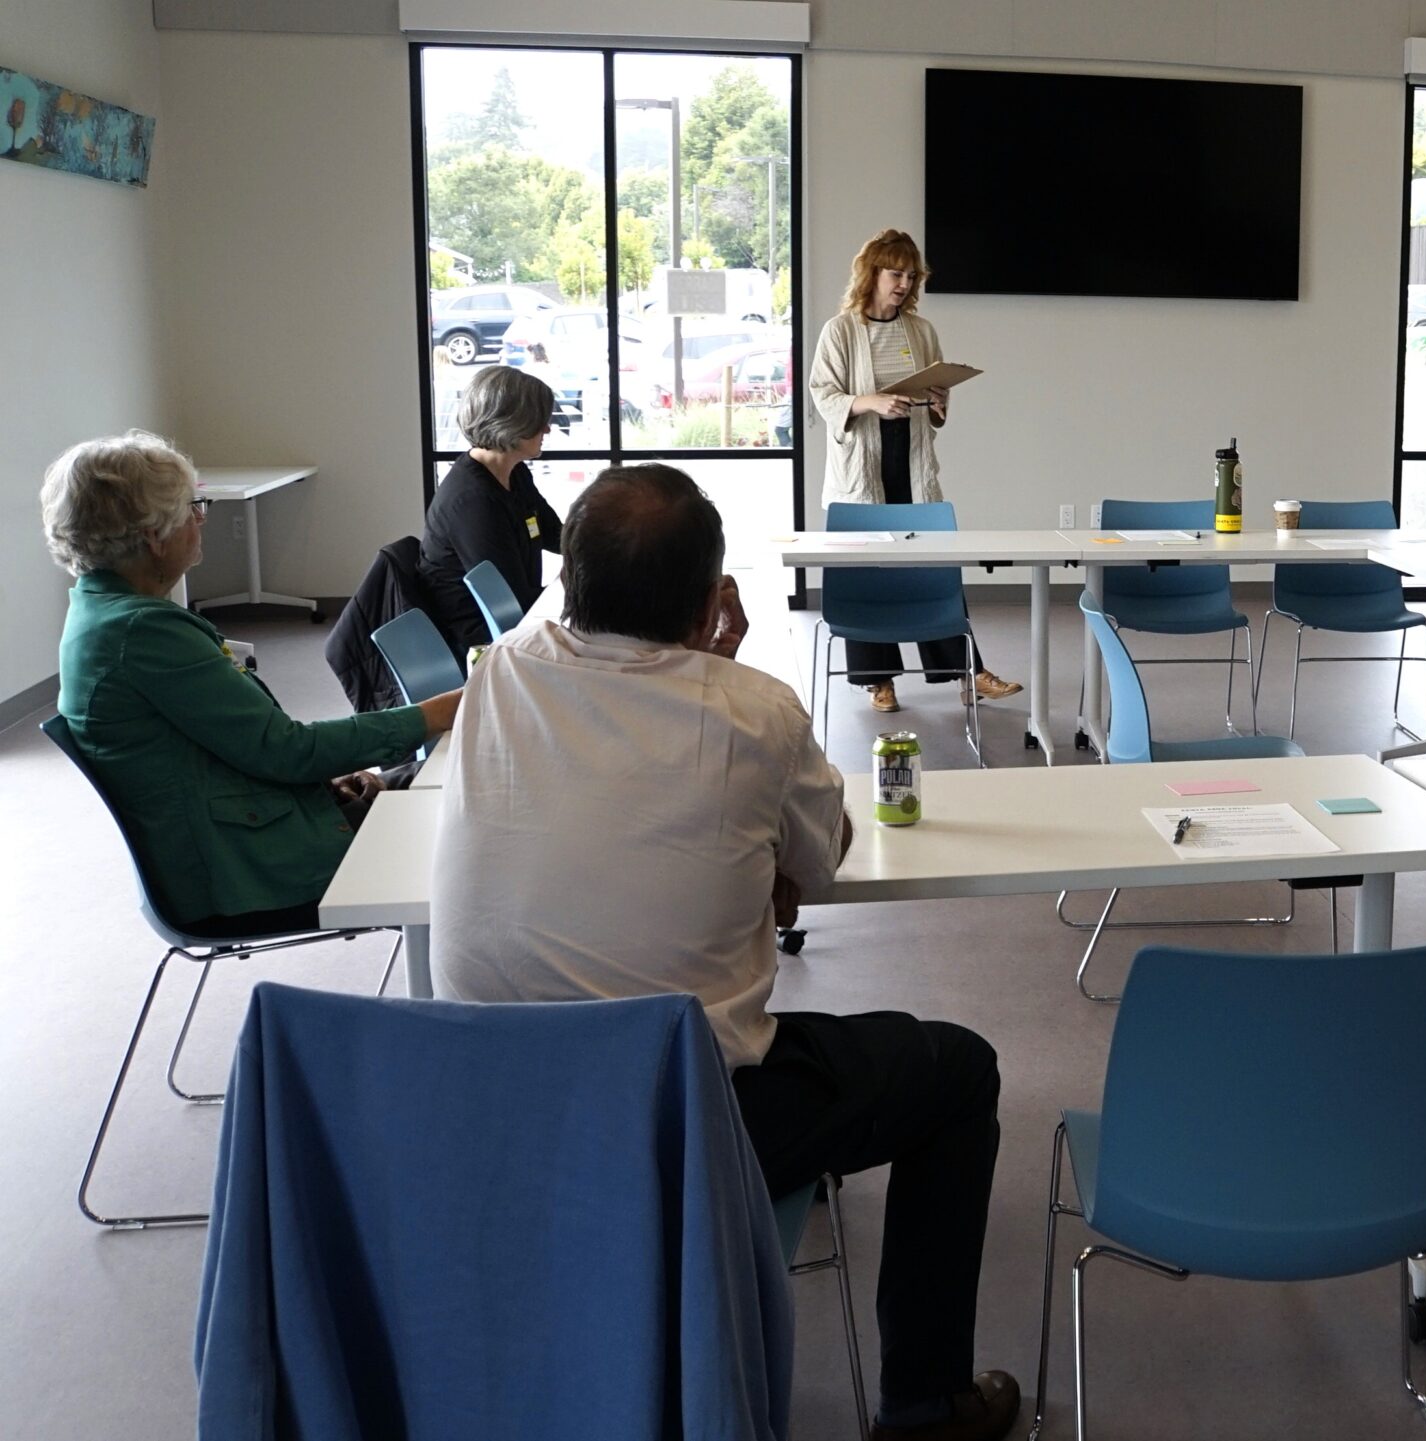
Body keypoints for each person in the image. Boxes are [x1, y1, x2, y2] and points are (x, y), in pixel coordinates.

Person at [429, 463, 1017, 1441]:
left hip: (497, 1102)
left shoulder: (497, 678)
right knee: (957, 1072)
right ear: (711, 601)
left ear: (564, 583)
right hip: (683, 1112)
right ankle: (923, 1404)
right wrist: (725, 674)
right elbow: (821, 867)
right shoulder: (754, 711)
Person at [45, 432, 459, 935]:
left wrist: (322, 785)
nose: (201, 520)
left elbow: (239, 748)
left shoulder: (104, 614)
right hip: (241, 873)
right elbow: (288, 750)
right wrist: (436, 713)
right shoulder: (143, 632)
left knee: (446, 790)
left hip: (240, 832)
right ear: (155, 535)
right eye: (194, 508)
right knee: (473, 819)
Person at [807, 226, 1021, 714]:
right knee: (869, 573)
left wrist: (940, 400)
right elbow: (823, 393)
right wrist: (871, 402)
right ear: (872, 274)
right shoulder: (840, 330)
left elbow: (933, 404)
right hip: (864, 463)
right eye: (894, 273)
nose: (903, 284)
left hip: (911, 458)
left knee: (933, 571)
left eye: (910, 275)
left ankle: (968, 673)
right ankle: (878, 681)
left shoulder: (921, 330)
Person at [419, 364, 562, 651]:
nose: (547, 428)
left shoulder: (515, 473)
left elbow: (557, 535)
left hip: (512, 620)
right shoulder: (473, 502)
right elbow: (511, 603)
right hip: (479, 638)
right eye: (538, 421)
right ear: (510, 423)